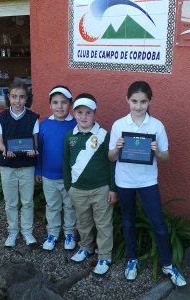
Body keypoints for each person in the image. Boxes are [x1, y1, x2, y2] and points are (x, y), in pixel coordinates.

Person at [108, 81, 186, 286]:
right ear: (127, 100)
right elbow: (111, 157)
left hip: (147, 180)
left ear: (150, 101)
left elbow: (165, 157)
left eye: (143, 101)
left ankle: (168, 265)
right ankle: (132, 261)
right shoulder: (119, 125)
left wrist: (157, 151)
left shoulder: (156, 125)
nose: (138, 106)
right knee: (128, 221)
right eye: (134, 101)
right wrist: (116, 148)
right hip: (124, 180)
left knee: (158, 223)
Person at [63, 93, 117, 275]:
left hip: (101, 189)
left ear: (94, 114)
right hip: (77, 190)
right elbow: (65, 162)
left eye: (88, 113)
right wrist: (69, 186)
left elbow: (111, 163)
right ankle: (86, 247)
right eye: (79, 112)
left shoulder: (103, 135)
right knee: (83, 222)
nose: (83, 117)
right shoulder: (70, 136)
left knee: (103, 224)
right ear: (74, 113)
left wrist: (112, 188)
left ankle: (104, 255)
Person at [0, 80, 39, 247]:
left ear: (27, 99)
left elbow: (35, 143)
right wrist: (5, 150)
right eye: (14, 97)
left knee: (27, 201)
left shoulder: (33, 118)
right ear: (8, 97)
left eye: (21, 97)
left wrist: (34, 150)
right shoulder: (1, 118)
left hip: (26, 165)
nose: (17, 101)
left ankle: (27, 232)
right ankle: (13, 231)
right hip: (7, 166)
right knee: (10, 202)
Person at [35, 85, 77, 251]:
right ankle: (52, 233)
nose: (59, 106)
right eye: (55, 102)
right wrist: (38, 170)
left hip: (69, 177)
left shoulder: (75, 124)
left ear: (70, 104)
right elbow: (40, 149)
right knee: (52, 206)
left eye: (64, 102)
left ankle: (69, 233)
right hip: (49, 176)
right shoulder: (44, 124)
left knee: (69, 206)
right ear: (50, 105)